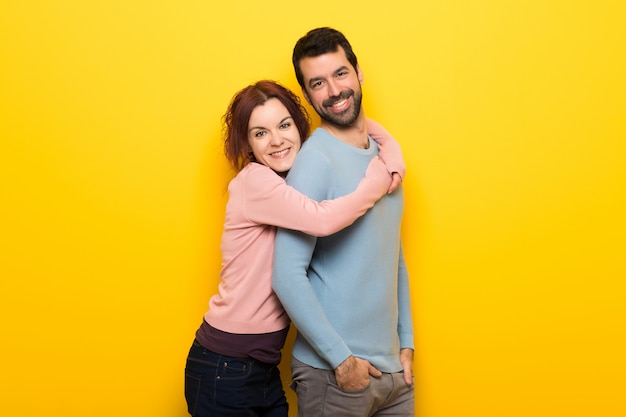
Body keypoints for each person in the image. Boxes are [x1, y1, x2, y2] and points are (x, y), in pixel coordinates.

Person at [184, 80, 405, 417]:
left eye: (284, 125)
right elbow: (321, 221)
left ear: (299, 126)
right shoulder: (256, 182)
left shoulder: (292, 180)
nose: (276, 141)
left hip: (262, 368)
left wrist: (391, 151)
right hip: (224, 366)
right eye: (260, 133)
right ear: (246, 142)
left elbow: (361, 127)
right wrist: (375, 184)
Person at [272, 28, 415, 416]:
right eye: (318, 82)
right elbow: (286, 274)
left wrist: (407, 342)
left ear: (358, 72)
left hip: (393, 375)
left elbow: (393, 256)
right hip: (335, 375)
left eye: (340, 74)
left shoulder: (387, 160)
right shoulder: (315, 161)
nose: (333, 91)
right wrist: (341, 361)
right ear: (307, 94)